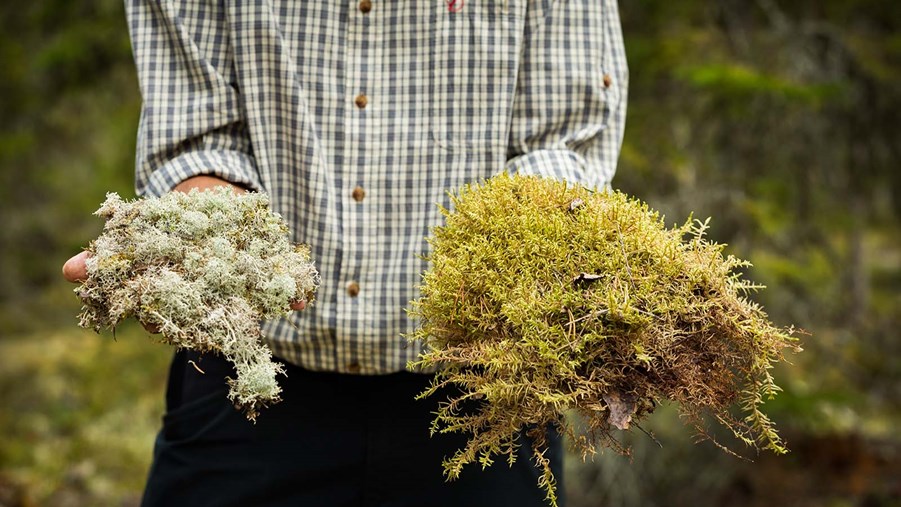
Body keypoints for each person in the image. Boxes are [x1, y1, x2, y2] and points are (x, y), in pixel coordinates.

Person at [63, 0, 628, 505]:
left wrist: (551, 247)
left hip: (485, 396)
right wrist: (211, 236)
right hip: (248, 383)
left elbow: (563, 142)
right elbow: (196, 136)